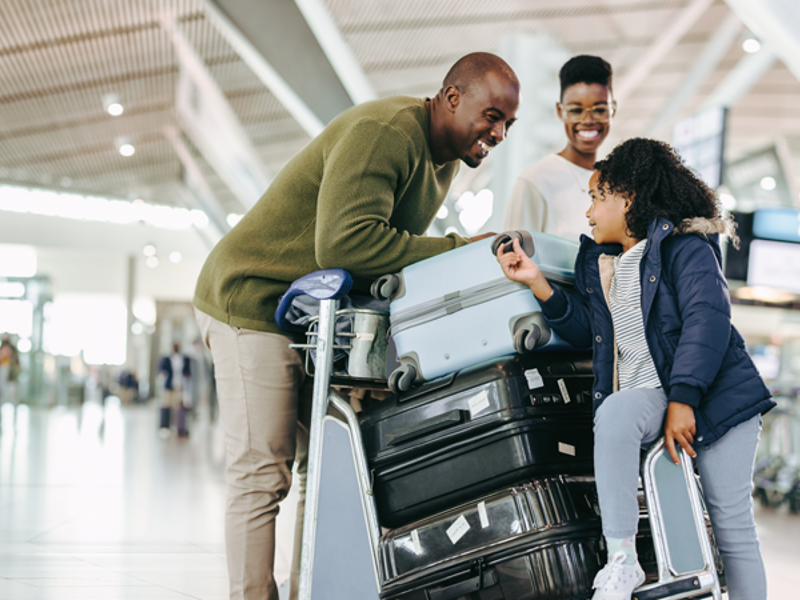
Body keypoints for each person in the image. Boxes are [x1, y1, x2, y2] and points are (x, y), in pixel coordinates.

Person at [193, 53, 520, 600]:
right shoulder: (386, 131)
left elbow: (380, 258)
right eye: (491, 115)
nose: (499, 132)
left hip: (309, 316)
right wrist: (462, 249)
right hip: (252, 299)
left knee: (322, 468)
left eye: (508, 123)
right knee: (262, 470)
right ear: (452, 97)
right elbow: (346, 244)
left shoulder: (441, 161)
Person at [497, 137, 774, 600]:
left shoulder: (687, 248)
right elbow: (590, 331)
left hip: (720, 400)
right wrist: (537, 283)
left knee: (730, 525)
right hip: (656, 395)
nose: (588, 213)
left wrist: (685, 398)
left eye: (596, 198)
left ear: (627, 197)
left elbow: (708, 321)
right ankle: (621, 561)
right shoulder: (605, 264)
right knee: (618, 412)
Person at [503, 55, 614, 241]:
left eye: (599, 109)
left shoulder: (616, 183)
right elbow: (512, 260)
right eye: (576, 110)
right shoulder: (535, 181)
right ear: (560, 111)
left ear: (613, 110)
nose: (587, 121)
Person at [157, 342, 191, 437]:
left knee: (180, 407)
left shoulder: (184, 359)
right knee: (166, 405)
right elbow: (161, 370)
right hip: (169, 386)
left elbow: (188, 372)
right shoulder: (166, 359)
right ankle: (164, 427)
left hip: (180, 386)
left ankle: (180, 428)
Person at [0, 333, 21, 409]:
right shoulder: (1, 348)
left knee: (13, 390)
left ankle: (15, 406)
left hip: (10, 371)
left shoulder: (13, 349)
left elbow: (16, 360)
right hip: (2, 369)